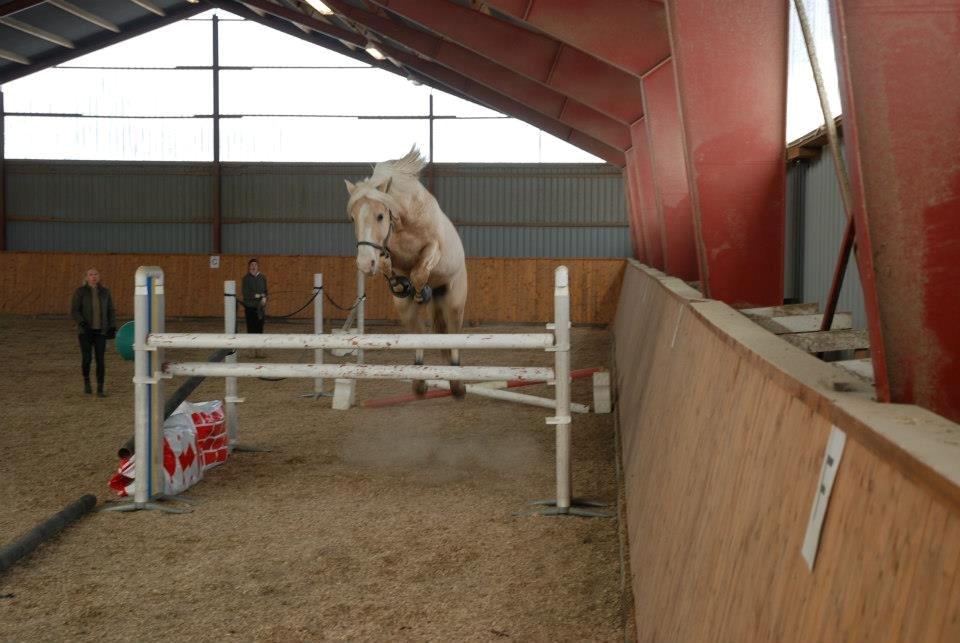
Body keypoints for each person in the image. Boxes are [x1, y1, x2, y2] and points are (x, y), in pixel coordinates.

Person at [70, 267, 116, 397]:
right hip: (85, 332)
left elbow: (111, 310)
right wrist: (82, 323)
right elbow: (75, 310)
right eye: (91, 274)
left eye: (96, 274)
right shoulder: (80, 292)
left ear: (99, 276)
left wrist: (112, 326)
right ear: (86, 277)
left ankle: (100, 388)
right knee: (87, 358)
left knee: (100, 360)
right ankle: (87, 383)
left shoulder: (105, 292)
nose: (94, 276)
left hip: (100, 332)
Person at [242, 258, 268, 358]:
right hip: (250, 308)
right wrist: (256, 296)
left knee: (260, 329)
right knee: (251, 329)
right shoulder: (245, 279)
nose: (253, 267)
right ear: (249, 267)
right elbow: (245, 293)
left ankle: (259, 351)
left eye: (255, 265)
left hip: (260, 308)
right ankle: (251, 351)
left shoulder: (263, 278)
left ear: (258, 267)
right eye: (251, 265)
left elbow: (266, 291)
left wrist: (265, 298)